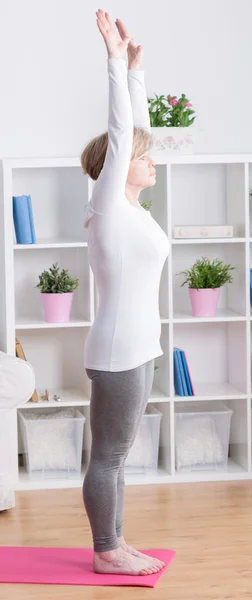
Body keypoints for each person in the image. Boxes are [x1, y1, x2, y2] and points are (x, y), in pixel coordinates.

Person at [80, 9, 170, 576]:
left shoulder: (131, 210)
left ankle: (115, 539)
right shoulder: (107, 206)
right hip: (117, 351)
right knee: (110, 455)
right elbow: (121, 135)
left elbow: (132, 132)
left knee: (119, 456)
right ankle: (107, 550)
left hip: (138, 347)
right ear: (115, 170)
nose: (150, 158)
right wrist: (113, 64)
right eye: (142, 157)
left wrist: (137, 73)